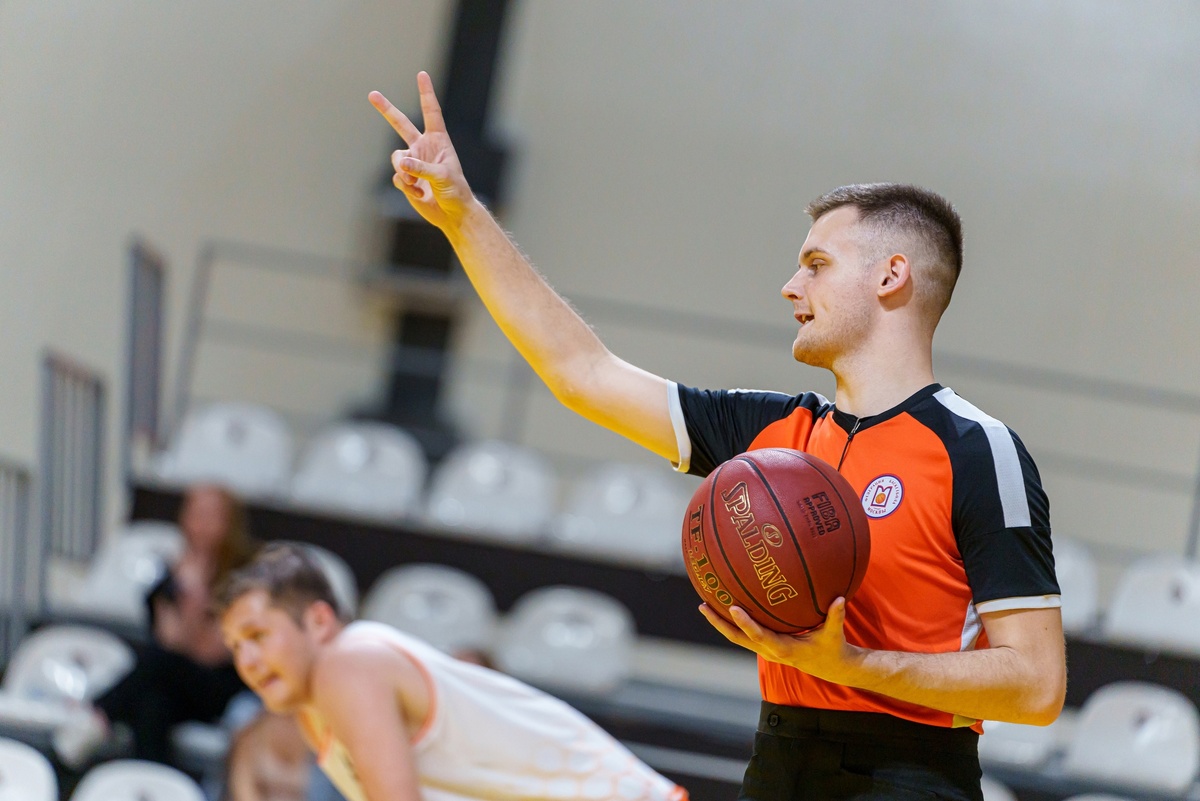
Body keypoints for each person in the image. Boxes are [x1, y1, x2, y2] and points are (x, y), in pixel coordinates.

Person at [366, 73, 1067, 801]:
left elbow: (1037, 685)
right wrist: (462, 217)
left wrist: (852, 665)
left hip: (912, 772)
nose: (791, 286)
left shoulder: (978, 450)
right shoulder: (772, 436)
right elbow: (582, 373)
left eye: (817, 265)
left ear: (892, 276)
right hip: (778, 755)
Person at [216, 543, 687, 801]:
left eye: (258, 635)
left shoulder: (348, 663)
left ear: (319, 620)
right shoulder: (314, 710)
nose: (247, 660)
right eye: (236, 646)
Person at [57, 483, 258, 767]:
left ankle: (97, 713)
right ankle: (149, 780)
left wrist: (196, 602)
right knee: (153, 705)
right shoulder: (172, 575)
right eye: (195, 514)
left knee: (157, 664)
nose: (201, 524)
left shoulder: (244, 582)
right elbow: (170, 641)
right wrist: (183, 593)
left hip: (221, 689)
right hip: (174, 684)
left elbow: (212, 653)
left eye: (211, 516)